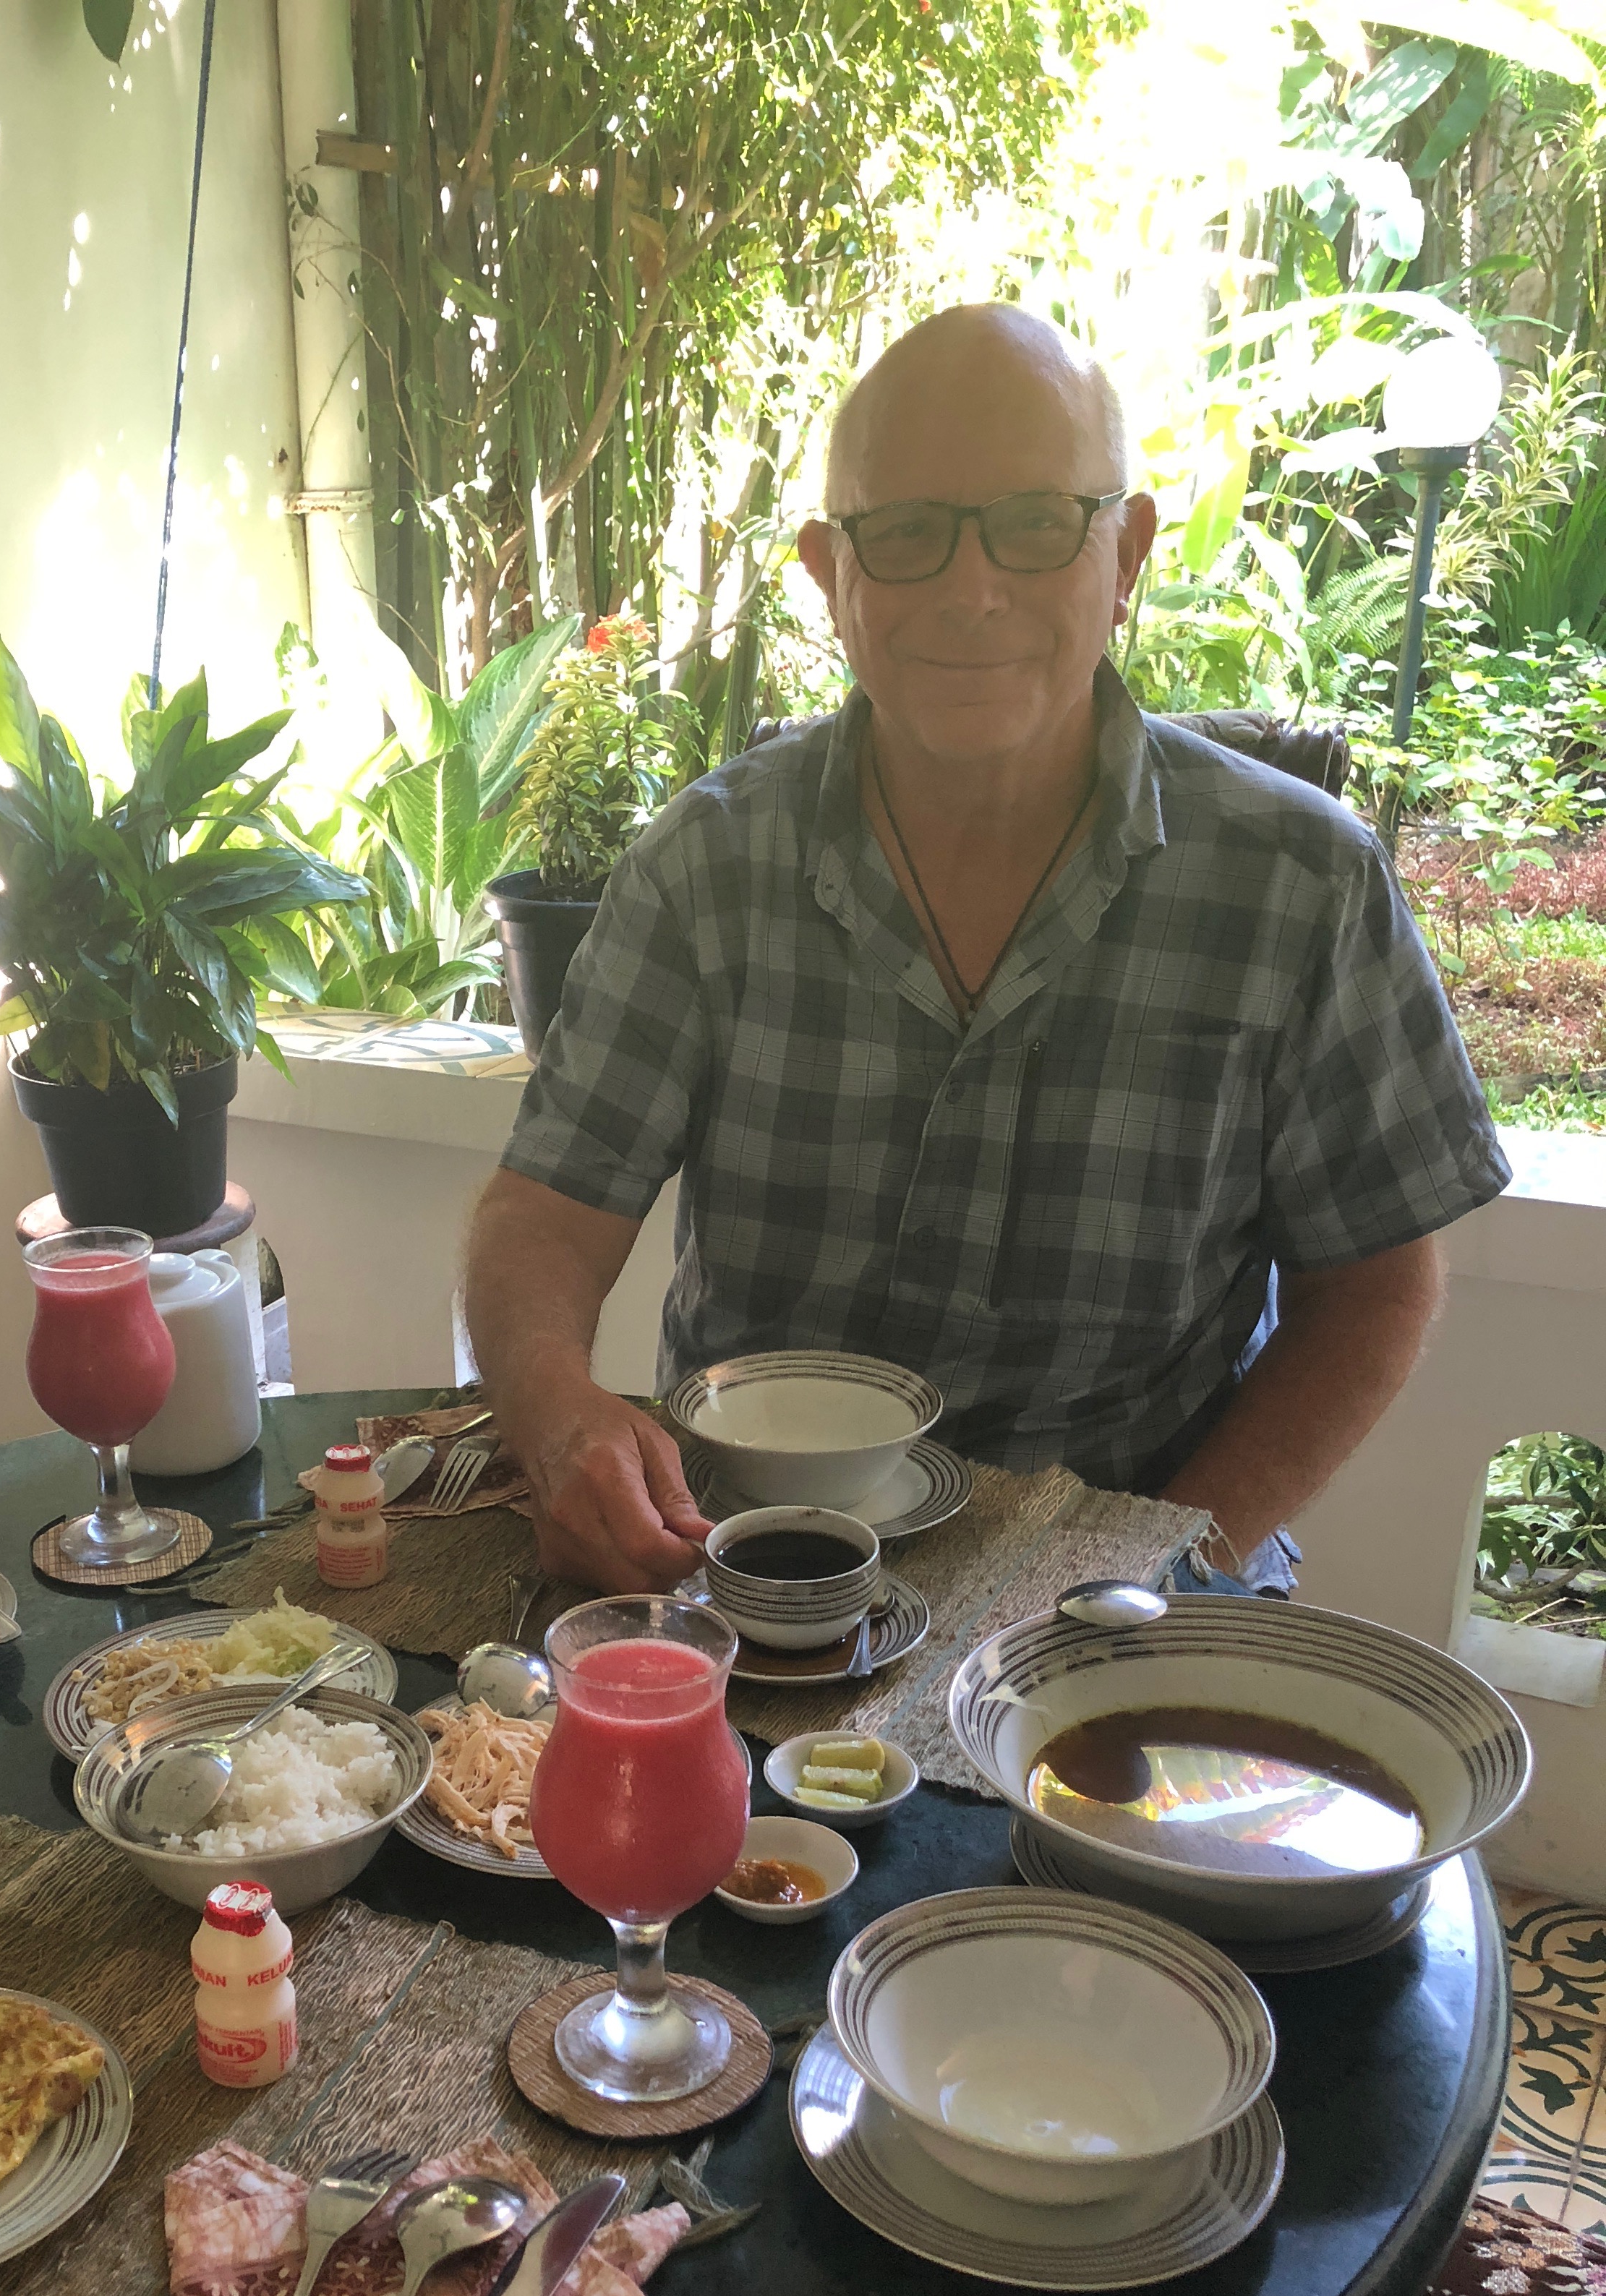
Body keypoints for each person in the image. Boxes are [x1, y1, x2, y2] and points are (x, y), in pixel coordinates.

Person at [464, 302, 1509, 1594]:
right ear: (828, 575)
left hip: (1137, 1590)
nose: (972, 591)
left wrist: (1159, 1558)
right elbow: (546, 1214)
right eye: (907, 533)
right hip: (750, 1572)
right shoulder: (705, 867)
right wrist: (560, 1420)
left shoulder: (1304, 886)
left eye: (1034, 523)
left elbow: (1376, 1288)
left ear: (1126, 554)